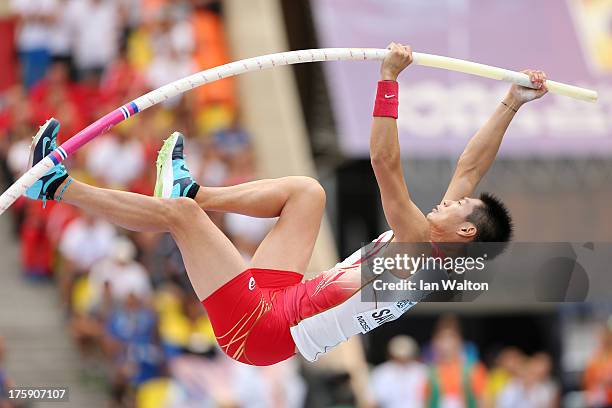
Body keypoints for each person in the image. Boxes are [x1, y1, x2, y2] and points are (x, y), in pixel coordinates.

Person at [22, 43, 548, 366]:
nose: (450, 202)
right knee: (307, 194)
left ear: (464, 235)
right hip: (286, 299)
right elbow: (471, 166)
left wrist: (387, 82)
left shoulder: (418, 252)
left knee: (181, 222)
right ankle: (195, 192)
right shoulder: (441, 242)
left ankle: (57, 187)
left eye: (460, 209)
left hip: (262, 328)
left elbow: (385, 166)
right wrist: (512, 101)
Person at [369, 335, 428, 408]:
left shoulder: (423, 371)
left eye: (406, 357)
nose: (402, 361)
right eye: (398, 357)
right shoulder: (381, 373)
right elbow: (372, 402)